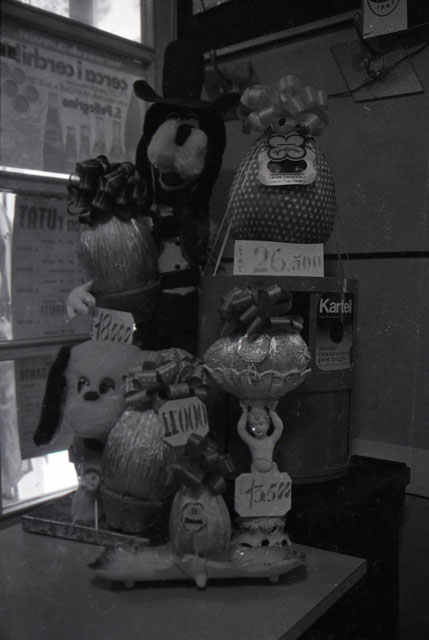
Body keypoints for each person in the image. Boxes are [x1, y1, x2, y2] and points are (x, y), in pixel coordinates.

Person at [237, 404, 283, 473]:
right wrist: (244, 413)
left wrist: (272, 412)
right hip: (255, 470)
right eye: (253, 425)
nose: (257, 427)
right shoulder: (252, 441)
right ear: (250, 428)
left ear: (268, 425)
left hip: (270, 470)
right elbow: (241, 429)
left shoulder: (271, 440)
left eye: (261, 424)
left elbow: (279, 427)